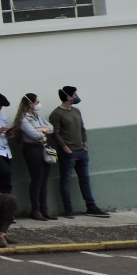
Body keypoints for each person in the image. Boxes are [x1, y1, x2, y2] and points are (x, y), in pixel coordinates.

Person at [48, 85, 109, 219]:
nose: (77, 97)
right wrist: (65, 148)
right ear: (68, 97)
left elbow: (82, 128)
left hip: (82, 151)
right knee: (66, 180)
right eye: (74, 95)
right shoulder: (56, 114)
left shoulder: (76, 110)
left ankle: (91, 207)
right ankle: (68, 210)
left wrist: (85, 143)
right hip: (68, 153)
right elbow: (55, 134)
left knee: (85, 180)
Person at [10, 93, 55, 221]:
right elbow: (33, 135)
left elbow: (51, 128)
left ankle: (44, 208)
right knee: (37, 180)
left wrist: (41, 130)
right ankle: (35, 210)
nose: (39, 105)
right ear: (30, 104)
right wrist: (44, 131)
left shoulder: (38, 116)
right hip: (32, 149)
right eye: (37, 102)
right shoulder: (23, 119)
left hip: (44, 147)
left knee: (45, 180)